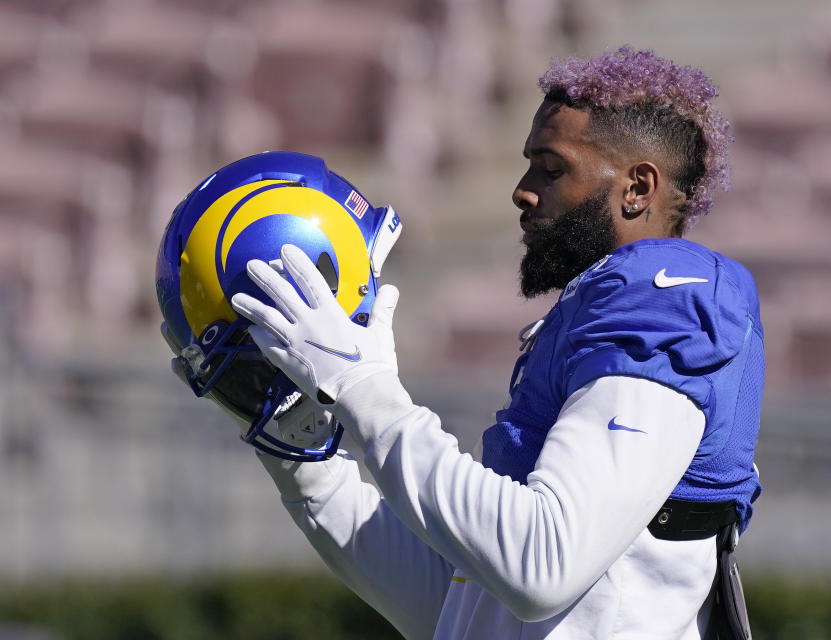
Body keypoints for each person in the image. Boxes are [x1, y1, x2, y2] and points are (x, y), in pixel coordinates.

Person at [168, 46, 763, 639]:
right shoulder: (587, 319)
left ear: (637, 188)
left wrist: (365, 391)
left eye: (551, 168)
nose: (522, 190)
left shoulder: (666, 297)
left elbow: (541, 568)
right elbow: (462, 612)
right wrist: (306, 467)